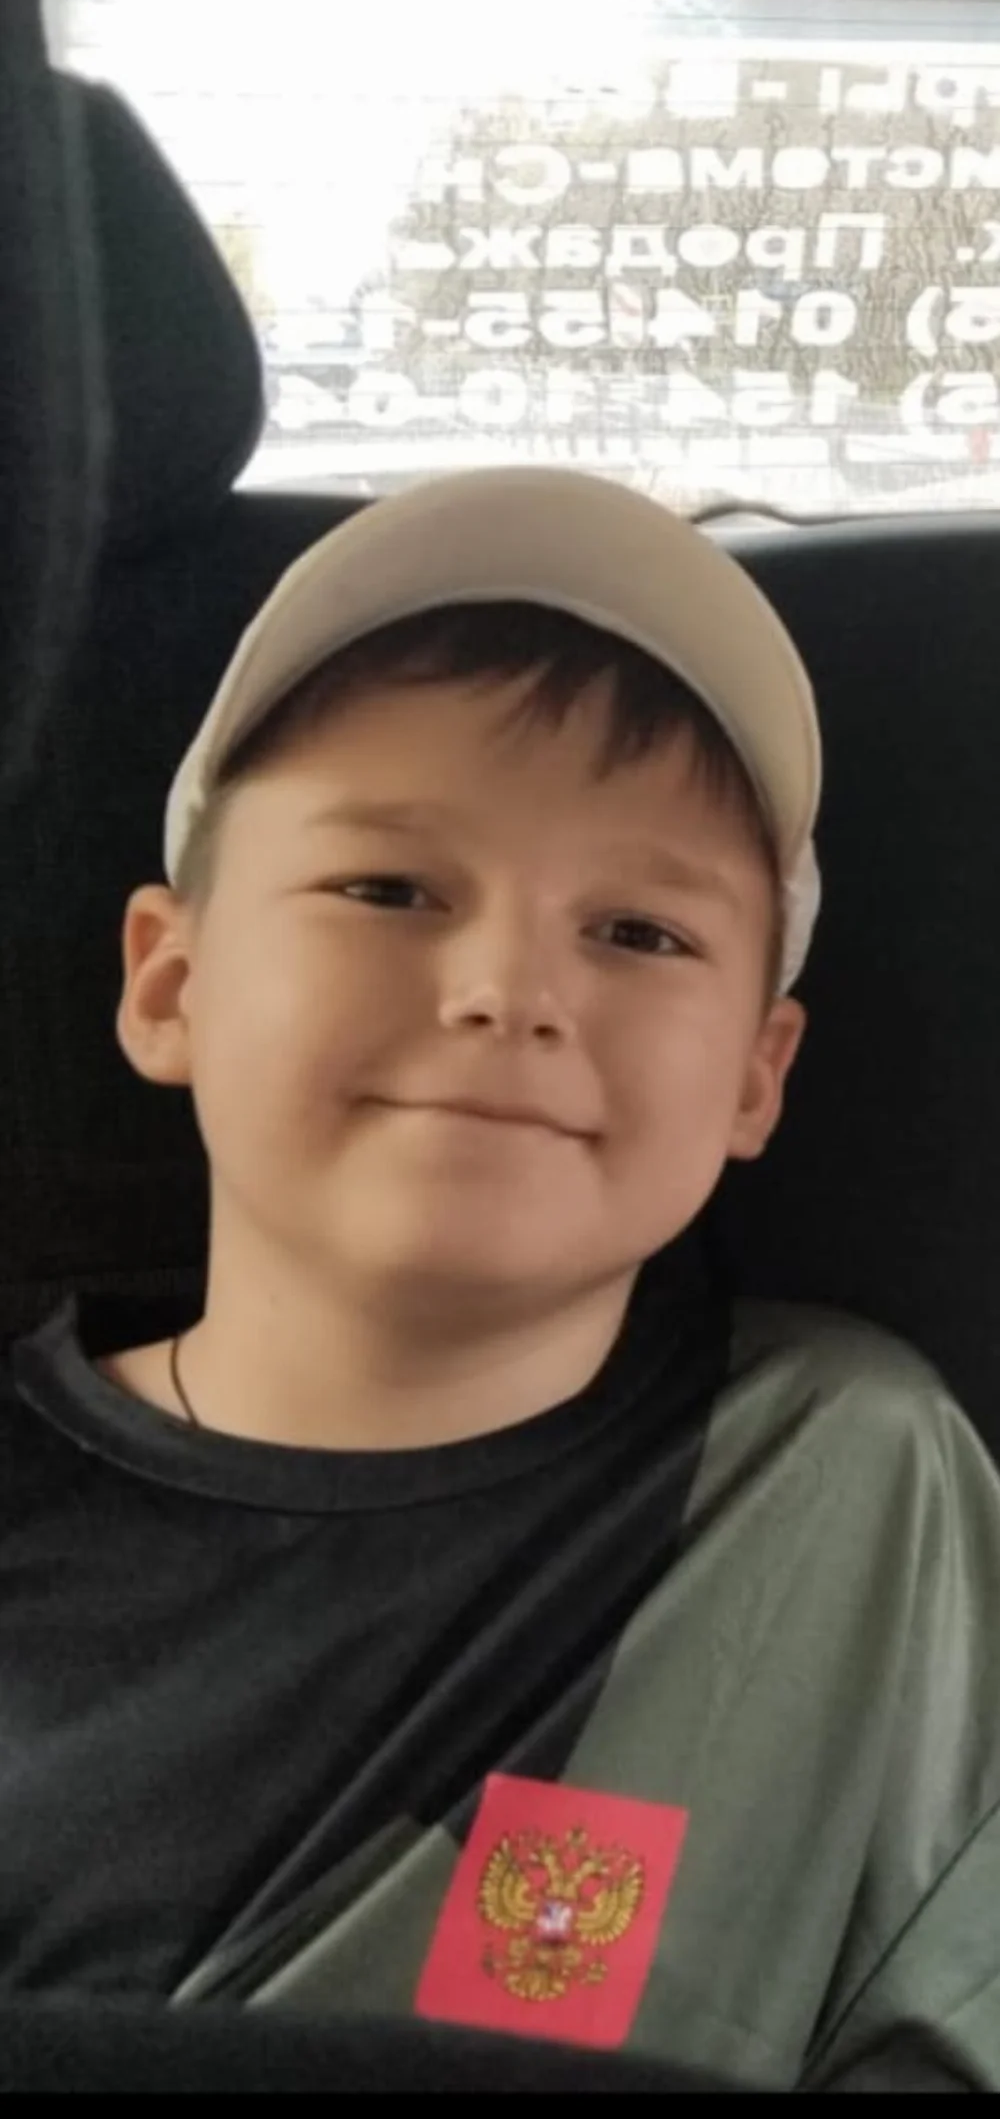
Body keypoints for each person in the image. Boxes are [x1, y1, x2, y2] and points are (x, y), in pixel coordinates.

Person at [3, 466, 1000, 2093]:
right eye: (388, 890)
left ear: (756, 1077)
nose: (507, 990)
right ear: (171, 983)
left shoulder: (842, 1481)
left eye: (642, 934)